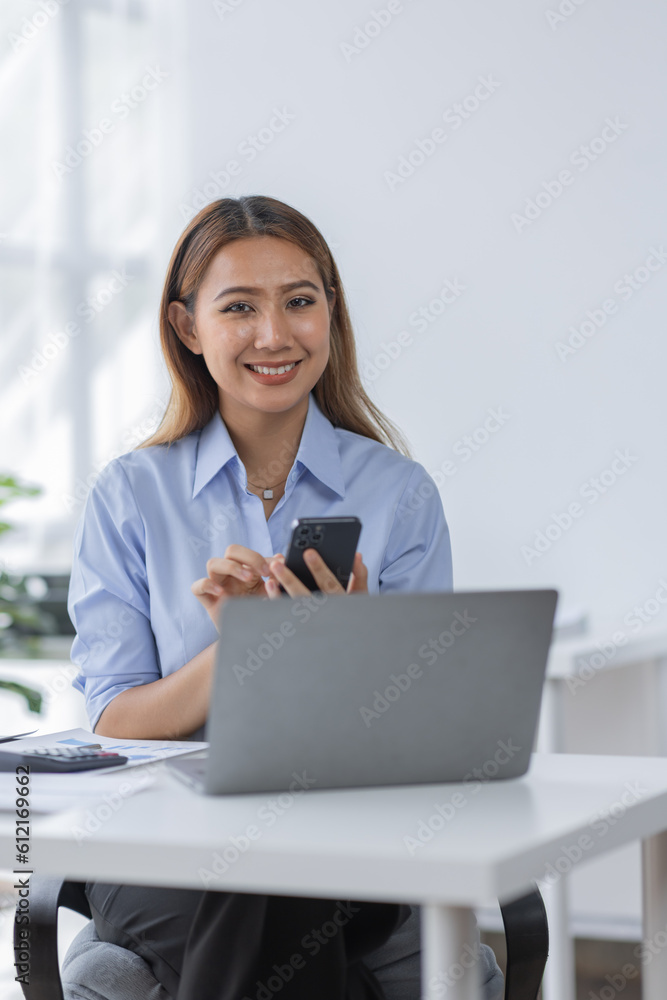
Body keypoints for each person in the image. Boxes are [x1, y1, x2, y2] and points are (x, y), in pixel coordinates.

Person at [68, 195, 504, 1000]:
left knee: (281, 873)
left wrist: (349, 645)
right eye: (239, 307)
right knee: (270, 887)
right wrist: (239, 650)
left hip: (346, 839)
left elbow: (421, 736)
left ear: (329, 312)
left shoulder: (398, 493)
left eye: (299, 301)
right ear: (187, 327)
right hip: (159, 845)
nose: (274, 335)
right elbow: (113, 720)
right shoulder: (131, 494)